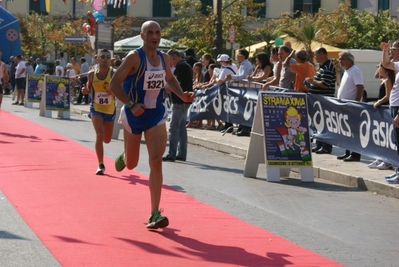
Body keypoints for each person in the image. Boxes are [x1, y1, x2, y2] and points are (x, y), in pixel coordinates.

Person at [109, 21, 194, 229]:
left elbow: (170, 79)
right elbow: (113, 84)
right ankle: (125, 156)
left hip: (155, 114)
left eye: (157, 32)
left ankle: (154, 213)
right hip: (134, 113)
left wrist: (181, 94)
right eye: (150, 33)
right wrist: (131, 103)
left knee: (156, 161)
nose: (154, 36)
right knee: (131, 164)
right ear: (142, 36)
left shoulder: (164, 58)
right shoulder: (134, 58)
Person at [81, 49, 115, 175]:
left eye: (107, 57)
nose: (105, 59)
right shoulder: (91, 74)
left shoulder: (113, 73)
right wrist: (85, 91)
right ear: (97, 59)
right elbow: (89, 89)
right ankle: (100, 164)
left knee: (107, 139)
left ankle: (101, 162)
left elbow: (122, 89)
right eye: (103, 56)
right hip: (96, 108)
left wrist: (114, 91)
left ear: (110, 60)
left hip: (110, 109)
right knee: (99, 134)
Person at [162, 49, 193, 162]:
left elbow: (176, 84)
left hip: (180, 101)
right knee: (181, 128)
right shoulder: (186, 66)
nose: (169, 63)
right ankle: (182, 153)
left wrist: (163, 89)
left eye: (170, 60)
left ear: (174, 57)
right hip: (184, 100)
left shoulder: (181, 67)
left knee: (174, 127)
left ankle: (172, 153)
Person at [305, 47, 337, 154]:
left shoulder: (328, 67)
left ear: (322, 54)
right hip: (318, 101)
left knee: (326, 125)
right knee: (319, 124)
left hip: (324, 101)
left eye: (316, 54)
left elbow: (325, 84)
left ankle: (326, 147)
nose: (314, 57)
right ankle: (319, 144)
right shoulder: (322, 67)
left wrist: (312, 81)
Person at [336, 51, 364, 162]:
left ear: (350, 60)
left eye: (342, 59)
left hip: (352, 106)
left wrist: (356, 103)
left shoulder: (355, 70)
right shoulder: (346, 71)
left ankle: (356, 154)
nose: (340, 61)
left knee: (354, 131)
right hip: (344, 105)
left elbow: (360, 87)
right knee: (346, 130)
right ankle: (347, 151)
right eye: (339, 59)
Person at [368, 62, 395, 170]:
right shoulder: (384, 79)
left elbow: (388, 96)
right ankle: (381, 157)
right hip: (381, 111)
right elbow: (376, 76)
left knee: (387, 136)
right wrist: (380, 67)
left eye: (381, 69)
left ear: (386, 70)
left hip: (385, 109)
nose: (379, 71)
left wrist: (378, 102)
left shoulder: (388, 80)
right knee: (381, 136)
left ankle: (388, 160)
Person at [381, 40, 399, 183]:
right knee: (396, 141)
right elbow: (386, 64)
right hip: (395, 106)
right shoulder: (398, 65)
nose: (392, 52)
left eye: (394, 49)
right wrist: (385, 50)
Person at [226, 49, 254, 136]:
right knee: (241, 108)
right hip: (242, 89)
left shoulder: (246, 64)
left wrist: (232, 77)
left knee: (245, 108)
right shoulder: (242, 64)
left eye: (238, 56)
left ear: (243, 56)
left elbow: (243, 76)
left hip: (246, 89)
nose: (237, 57)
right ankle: (242, 127)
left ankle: (245, 128)